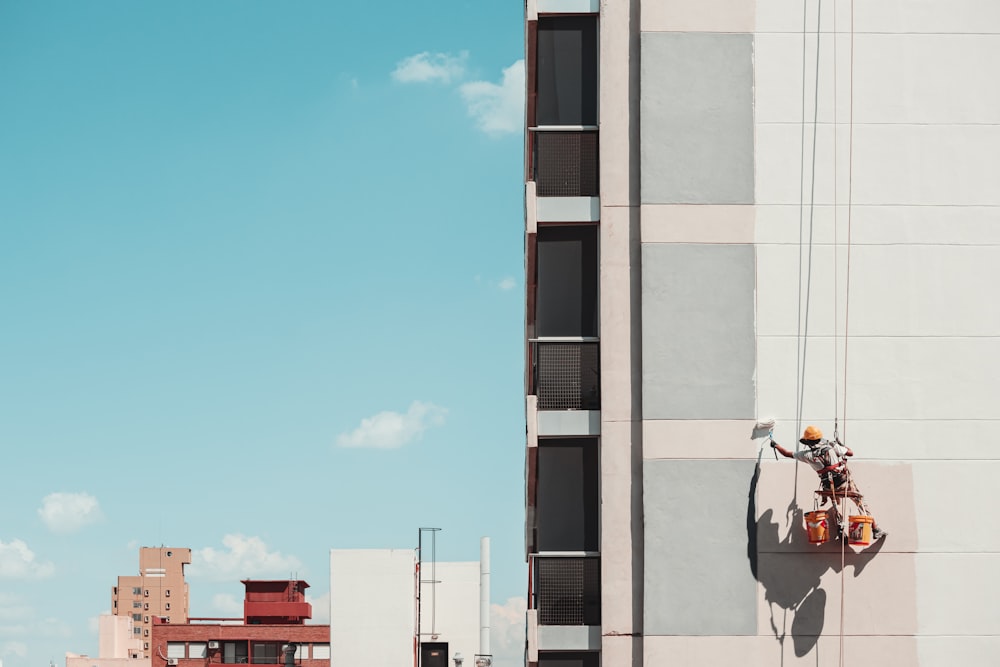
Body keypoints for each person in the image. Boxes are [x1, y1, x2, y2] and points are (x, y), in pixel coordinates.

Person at [771, 425, 886, 542]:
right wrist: (841, 445)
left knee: (836, 507)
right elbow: (850, 453)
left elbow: (786, 453)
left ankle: (841, 530)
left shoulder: (807, 455)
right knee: (860, 502)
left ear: (808, 442)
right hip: (843, 483)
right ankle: (875, 529)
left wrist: (775, 445)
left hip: (829, 488)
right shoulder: (831, 446)